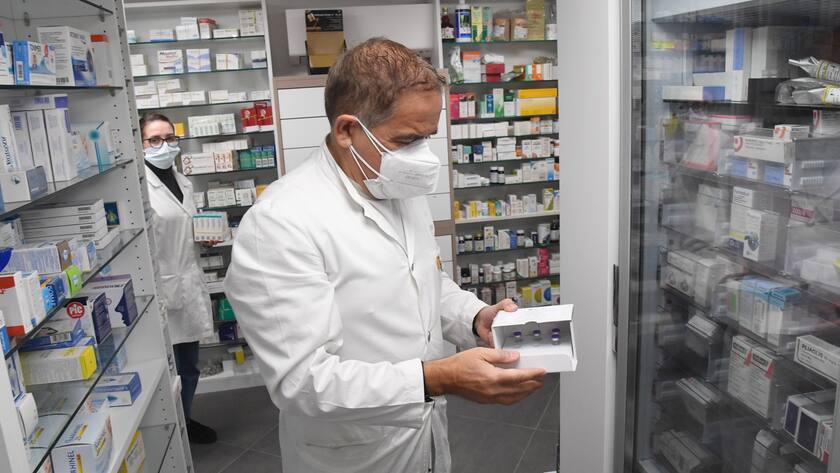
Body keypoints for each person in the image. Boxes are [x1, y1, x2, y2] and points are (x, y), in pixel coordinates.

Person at [223, 38, 546, 473]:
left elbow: (423, 280)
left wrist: (473, 317)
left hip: (424, 435)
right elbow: (302, 383)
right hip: (351, 454)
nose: (422, 156)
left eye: (428, 137)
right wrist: (437, 377)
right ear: (346, 131)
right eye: (408, 139)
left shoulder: (394, 181)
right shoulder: (280, 224)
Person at [141, 112, 218, 444]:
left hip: (186, 283)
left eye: (170, 138)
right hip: (160, 291)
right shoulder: (139, 185)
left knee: (189, 367)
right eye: (154, 140)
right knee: (164, 372)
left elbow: (181, 228)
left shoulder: (182, 179)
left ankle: (184, 423)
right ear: (140, 143)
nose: (164, 145)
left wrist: (202, 236)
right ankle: (167, 433)